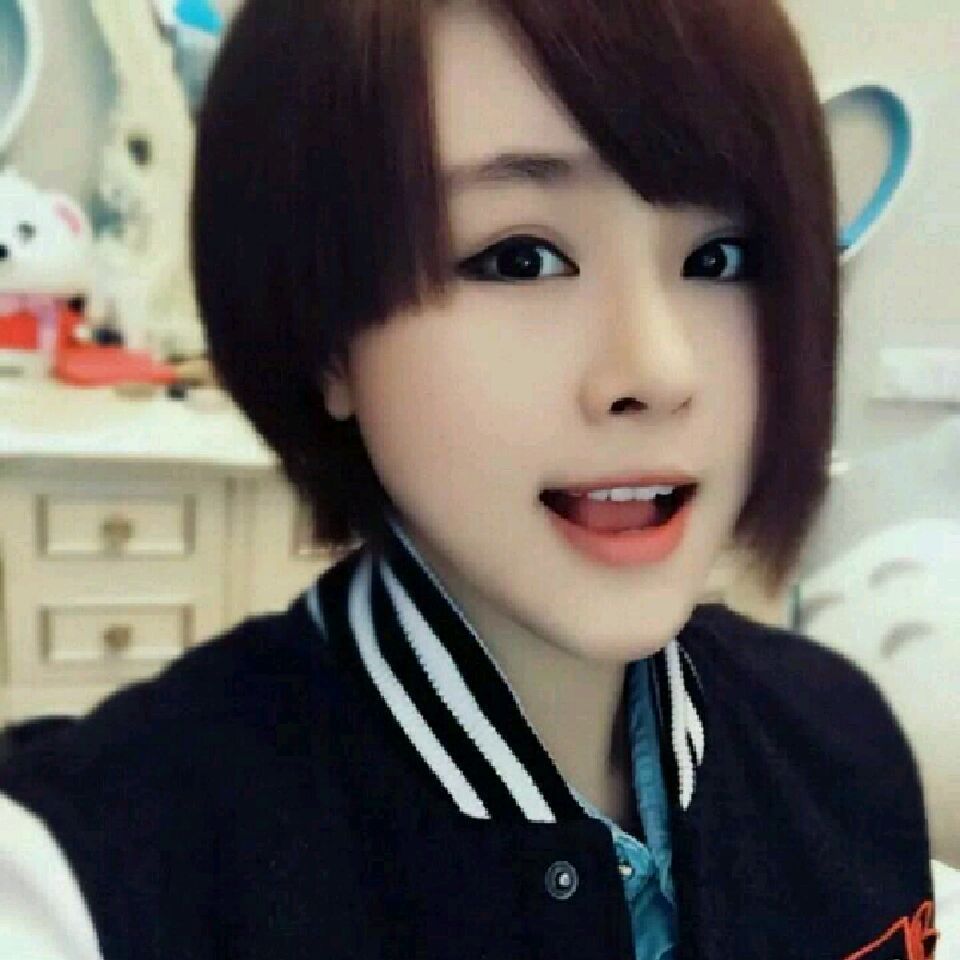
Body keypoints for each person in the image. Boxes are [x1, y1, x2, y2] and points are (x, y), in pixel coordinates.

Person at [0, 0, 956, 957]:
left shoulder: (841, 739)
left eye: (721, 257)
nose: (660, 371)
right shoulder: (101, 879)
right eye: (521, 258)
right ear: (327, 333)